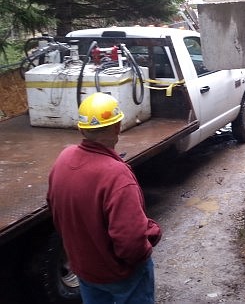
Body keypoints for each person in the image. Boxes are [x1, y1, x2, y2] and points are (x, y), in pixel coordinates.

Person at [47, 92, 161, 303]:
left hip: (86, 270)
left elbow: (56, 211)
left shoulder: (63, 159)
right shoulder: (116, 175)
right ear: (117, 127)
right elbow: (131, 242)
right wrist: (146, 248)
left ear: (81, 128)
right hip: (121, 275)